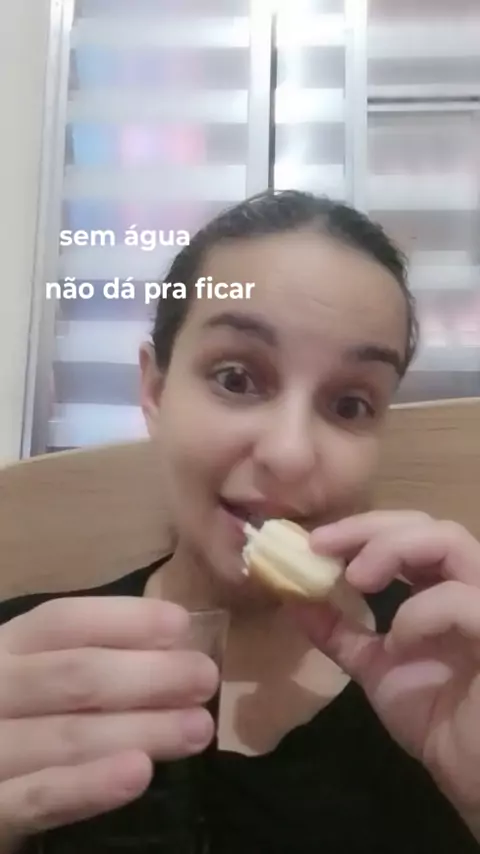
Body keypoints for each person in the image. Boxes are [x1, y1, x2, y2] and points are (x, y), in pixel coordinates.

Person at [0, 189, 479, 854]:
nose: (289, 454)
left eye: (350, 403)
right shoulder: (21, 667)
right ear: (155, 390)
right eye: (236, 378)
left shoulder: (453, 678)